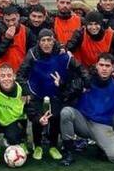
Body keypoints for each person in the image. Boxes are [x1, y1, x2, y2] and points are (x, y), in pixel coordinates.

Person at [18, 29, 83, 161]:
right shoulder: (32, 54)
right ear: (39, 42)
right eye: (43, 40)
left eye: (49, 40)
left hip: (54, 92)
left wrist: (86, 83)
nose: (46, 43)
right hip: (36, 92)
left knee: (55, 117)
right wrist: (27, 92)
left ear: (54, 41)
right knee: (38, 119)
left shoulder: (61, 53)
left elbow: (78, 69)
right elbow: (20, 75)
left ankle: (53, 146)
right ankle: (37, 146)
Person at [59, 53, 114, 166]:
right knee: (66, 112)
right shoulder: (86, 79)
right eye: (101, 65)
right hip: (82, 122)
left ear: (113, 68)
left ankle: (101, 147)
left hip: (102, 126)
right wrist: (65, 86)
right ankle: (68, 153)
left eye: (107, 66)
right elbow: (67, 94)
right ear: (96, 66)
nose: (104, 68)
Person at [0, 5, 30, 75]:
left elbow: (30, 53)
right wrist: (7, 39)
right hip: (1, 72)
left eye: (13, 19)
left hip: (19, 71)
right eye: (7, 20)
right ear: (3, 19)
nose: (11, 23)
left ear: (18, 17)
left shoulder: (26, 30)